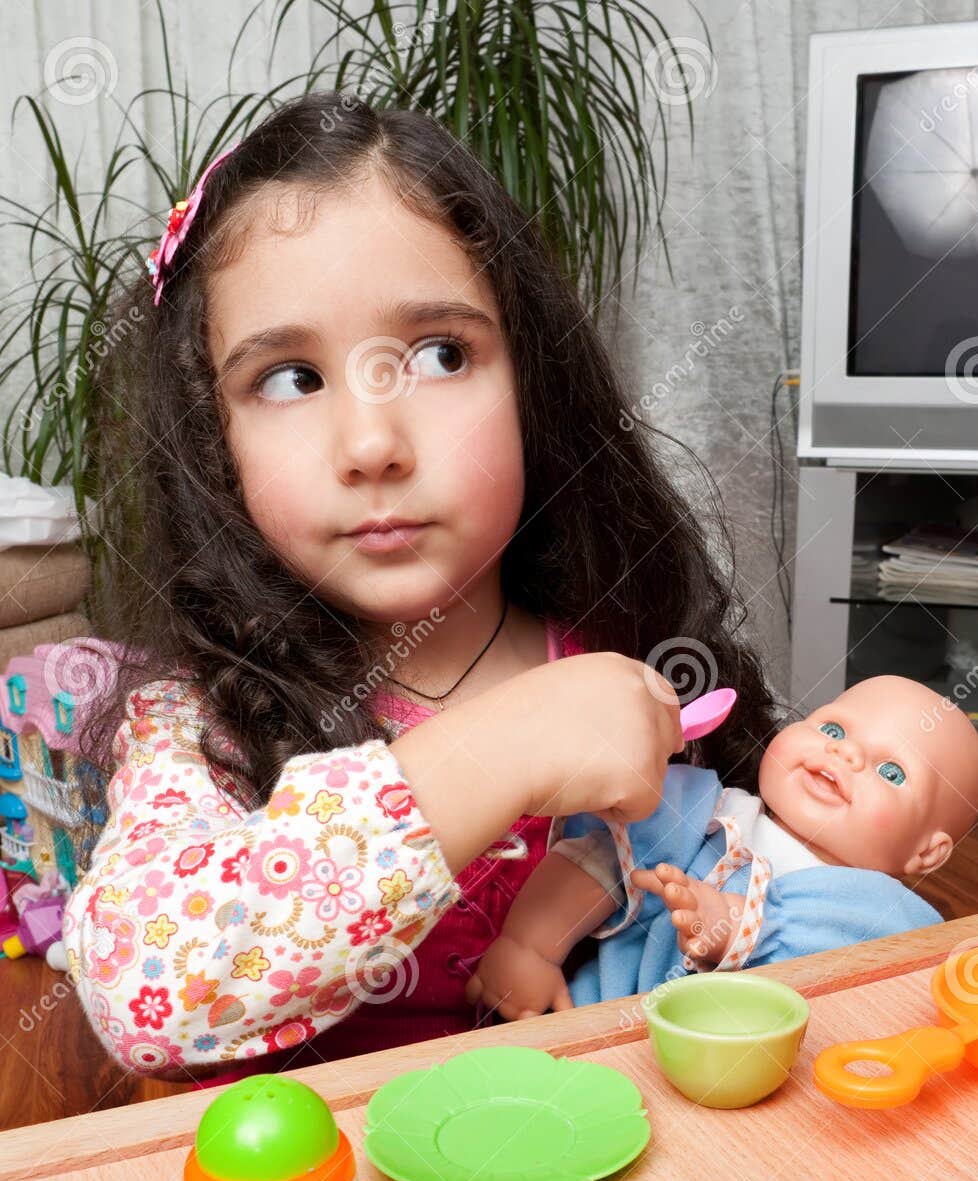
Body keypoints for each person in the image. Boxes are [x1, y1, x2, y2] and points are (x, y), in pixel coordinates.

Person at [62, 93, 778, 1080]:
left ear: (532, 381)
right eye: (288, 378)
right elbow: (150, 990)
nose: (371, 446)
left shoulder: (621, 646)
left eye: (439, 356)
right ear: (212, 438)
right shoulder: (203, 724)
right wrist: (504, 753)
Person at [465, 676, 978, 1017]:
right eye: (832, 727)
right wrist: (529, 949)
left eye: (891, 771)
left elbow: (880, 993)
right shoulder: (704, 812)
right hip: (598, 1029)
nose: (844, 755)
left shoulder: (875, 910)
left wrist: (739, 927)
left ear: (926, 853)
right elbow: (595, 866)